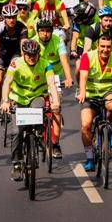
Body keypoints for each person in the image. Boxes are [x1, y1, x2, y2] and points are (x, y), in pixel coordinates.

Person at [0, 39, 61, 179]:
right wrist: (4, 101)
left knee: (39, 109)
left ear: (39, 53)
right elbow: (7, 83)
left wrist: (55, 103)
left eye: (34, 55)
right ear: (24, 54)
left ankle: (39, 135)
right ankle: (16, 164)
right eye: (28, 55)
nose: (31, 58)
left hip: (37, 97)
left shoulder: (46, 65)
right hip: (19, 99)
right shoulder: (15, 64)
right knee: (16, 132)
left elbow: (52, 85)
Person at [76, 35, 112, 171]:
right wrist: (82, 92)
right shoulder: (87, 57)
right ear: (97, 46)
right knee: (85, 125)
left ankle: (110, 130)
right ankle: (89, 158)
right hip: (90, 94)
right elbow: (83, 77)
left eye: (108, 47)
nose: (105, 49)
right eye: (102, 46)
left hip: (107, 92)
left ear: (111, 47)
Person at [32, 18, 72, 155]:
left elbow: (64, 60)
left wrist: (68, 78)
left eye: (48, 31)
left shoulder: (57, 40)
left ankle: (56, 144)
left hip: (55, 76)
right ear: (37, 32)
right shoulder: (33, 42)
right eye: (42, 31)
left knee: (56, 108)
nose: (45, 34)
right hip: (38, 77)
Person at [0, 4, 29, 122]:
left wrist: (24, 63)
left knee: (11, 79)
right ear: (4, 18)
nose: (11, 20)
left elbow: (23, 47)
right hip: (1, 54)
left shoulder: (22, 27)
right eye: (8, 17)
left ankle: (11, 100)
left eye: (13, 17)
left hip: (15, 54)